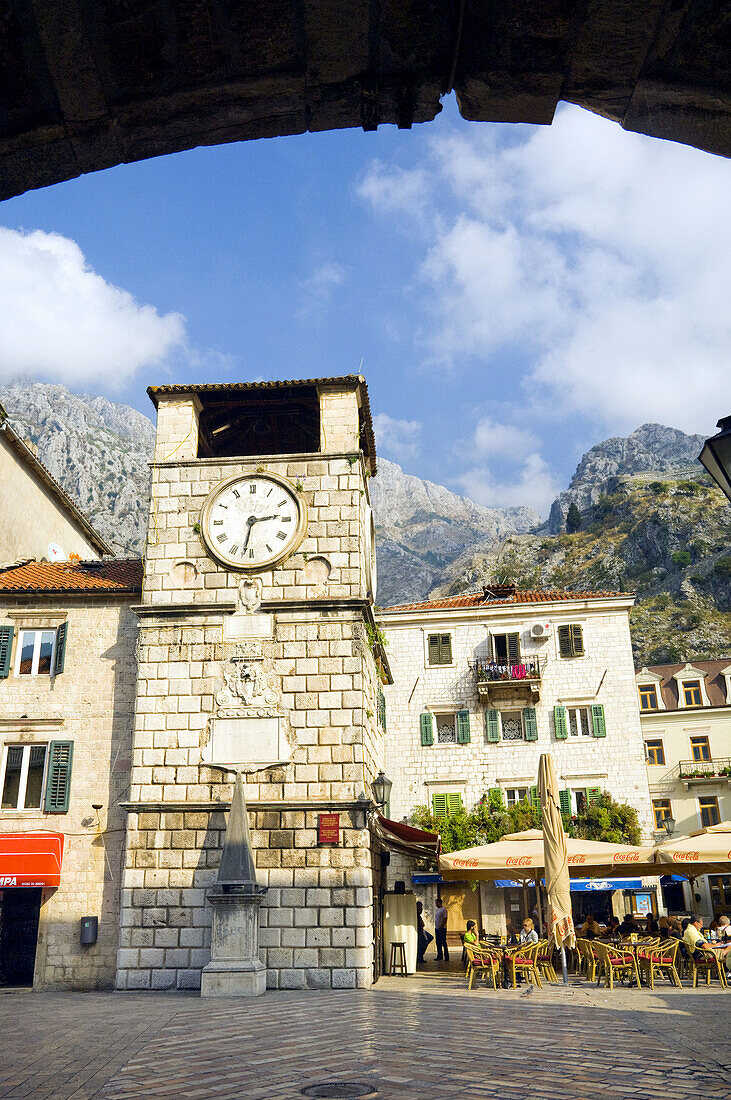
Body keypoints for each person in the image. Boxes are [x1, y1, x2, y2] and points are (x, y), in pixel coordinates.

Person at [416, 901, 433, 965]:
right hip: (420, 930)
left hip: (422, 929)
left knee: (430, 938)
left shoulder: (419, 914)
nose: (421, 909)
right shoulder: (416, 914)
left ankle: (420, 954)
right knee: (424, 942)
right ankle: (420, 956)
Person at [435, 896, 449, 961]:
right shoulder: (437, 910)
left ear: (439, 903)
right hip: (437, 928)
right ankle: (439, 956)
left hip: (442, 928)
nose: (436, 904)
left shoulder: (444, 910)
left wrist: (442, 925)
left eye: (436, 903)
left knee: (443, 942)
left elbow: (445, 918)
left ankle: (446, 957)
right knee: (438, 943)